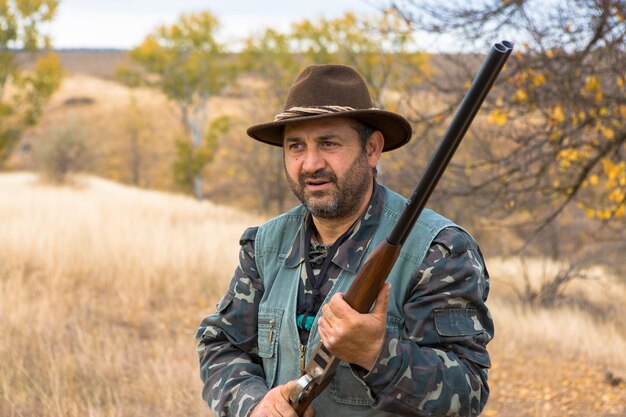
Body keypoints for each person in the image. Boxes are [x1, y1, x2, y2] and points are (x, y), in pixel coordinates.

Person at [195, 64, 493, 417]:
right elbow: (220, 344)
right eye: (296, 146)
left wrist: (379, 354)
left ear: (371, 149)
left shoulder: (437, 249)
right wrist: (255, 404)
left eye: (328, 143)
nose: (310, 163)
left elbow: (469, 392)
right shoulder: (264, 246)